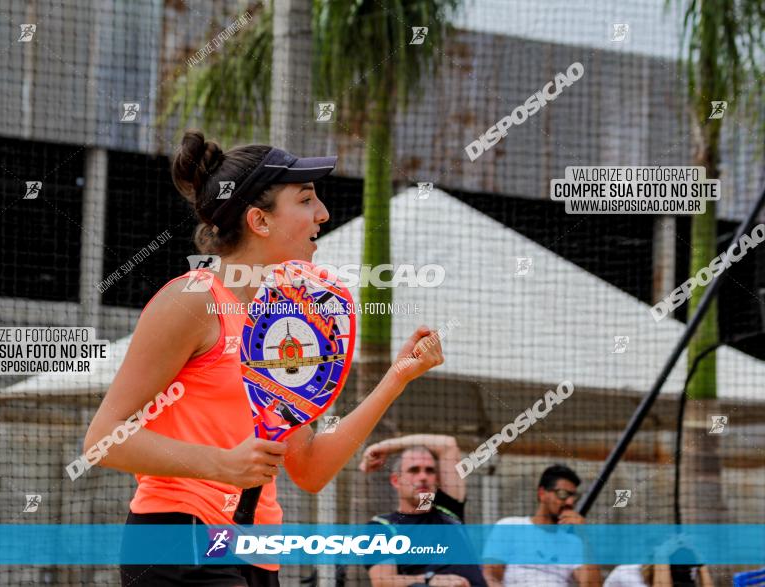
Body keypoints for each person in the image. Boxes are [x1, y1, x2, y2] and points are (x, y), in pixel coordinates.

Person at [82, 129, 446, 587]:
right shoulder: (193, 301)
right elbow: (102, 439)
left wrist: (396, 377)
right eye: (306, 199)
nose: (323, 213)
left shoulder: (282, 319)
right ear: (259, 220)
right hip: (179, 537)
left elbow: (310, 468)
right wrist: (222, 465)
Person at [361, 434, 486, 587]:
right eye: (414, 470)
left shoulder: (449, 509)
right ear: (396, 481)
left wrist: (384, 446)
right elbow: (382, 582)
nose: (423, 477)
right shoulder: (381, 526)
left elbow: (447, 444)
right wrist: (430, 579)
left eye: (429, 470)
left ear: (437, 479)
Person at [482, 464, 602, 586]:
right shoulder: (510, 526)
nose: (570, 502)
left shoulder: (574, 542)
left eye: (573, 496)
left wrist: (584, 536)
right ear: (542, 493)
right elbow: (491, 576)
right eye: (562, 494)